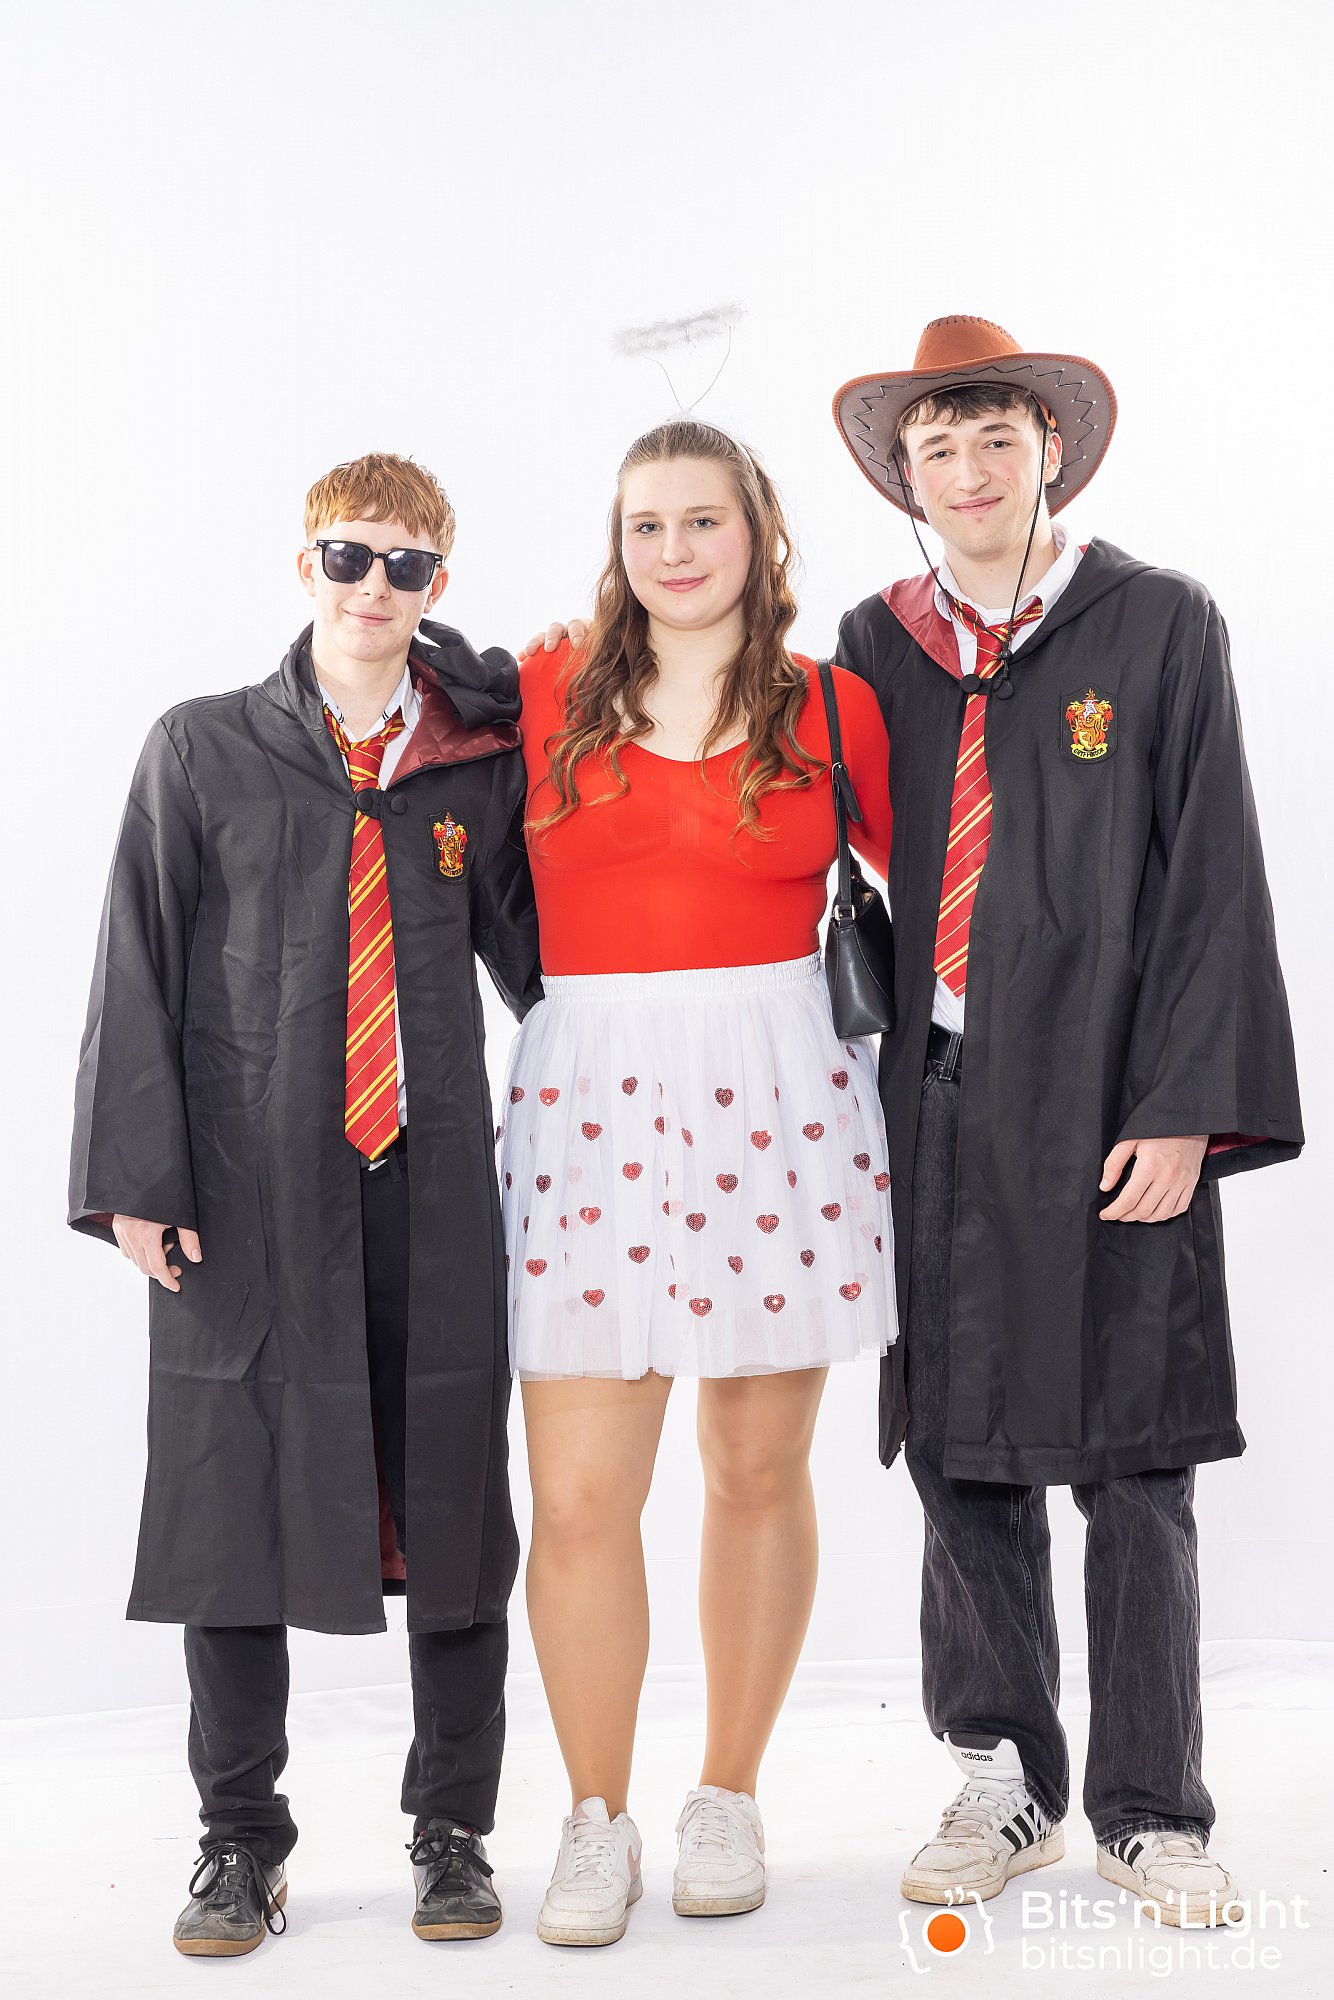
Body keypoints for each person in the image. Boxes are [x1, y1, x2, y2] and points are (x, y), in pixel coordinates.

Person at [831, 316, 1302, 1926]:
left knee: (1133, 1450)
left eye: (994, 438)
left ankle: (1149, 1808)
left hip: (1110, 1100)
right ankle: (1004, 1779)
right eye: (935, 447)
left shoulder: (1155, 623)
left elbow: (1211, 875)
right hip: (938, 1094)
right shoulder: (874, 646)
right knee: (957, 1451)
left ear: (1050, 451)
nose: (967, 471)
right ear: (905, 478)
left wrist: (1185, 1111)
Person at [68, 452, 541, 1956]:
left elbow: (547, 963)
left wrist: (530, 719)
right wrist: (135, 1183)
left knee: (454, 1503)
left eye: (408, 566)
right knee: (232, 1504)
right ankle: (238, 1843)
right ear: (305, 566)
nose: (373, 587)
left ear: (438, 586)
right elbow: (135, 957)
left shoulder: (471, 765)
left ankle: (453, 1831)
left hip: (432, 1183)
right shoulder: (203, 748)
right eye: (349, 556)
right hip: (247, 1193)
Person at [504, 418, 895, 1946]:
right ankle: (593, 1816)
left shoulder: (832, 709)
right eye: (644, 526)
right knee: (578, 1498)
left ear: (758, 534)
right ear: (617, 545)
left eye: (701, 521)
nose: (673, 551)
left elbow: (956, 896)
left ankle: (726, 1791)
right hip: (588, 1109)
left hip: (776, 1108)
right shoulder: (540, 689)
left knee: (752, 1471)